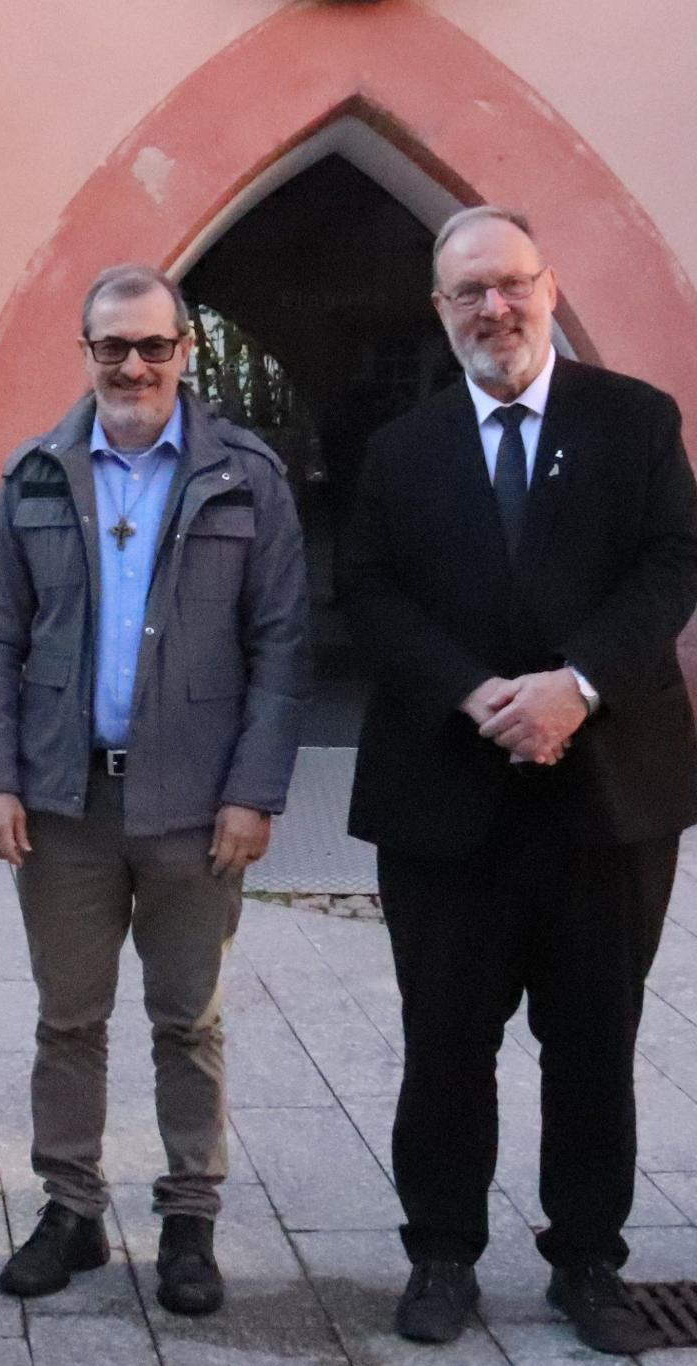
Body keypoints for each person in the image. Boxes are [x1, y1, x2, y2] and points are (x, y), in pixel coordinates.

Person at [340, 206, 697, 1356]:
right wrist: (473, 692)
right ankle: (440, 1256)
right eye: (464, 294)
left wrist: (574, 685)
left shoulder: (635, 420)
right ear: (439, 313)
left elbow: (673, 562)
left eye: (508, 284)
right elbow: (372, 592)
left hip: (606, 796)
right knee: (444, 1035)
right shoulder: (401, 449)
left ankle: (587, 1262)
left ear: (547, 285)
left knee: (593, 1036)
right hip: (447, 793)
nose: (490, 309)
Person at [0, 264, 307, 1316]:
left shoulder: (244, 476)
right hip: (63, 803)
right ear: (86, 352)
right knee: (67, 1018)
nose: (132, 365)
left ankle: (188, 1219)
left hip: (194, 805)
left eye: (152, 345)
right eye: (110, 346)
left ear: (182, 353)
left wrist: (253, 791)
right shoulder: (32, 473)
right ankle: (68, 1209)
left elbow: (280, 644)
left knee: (185, 1020)